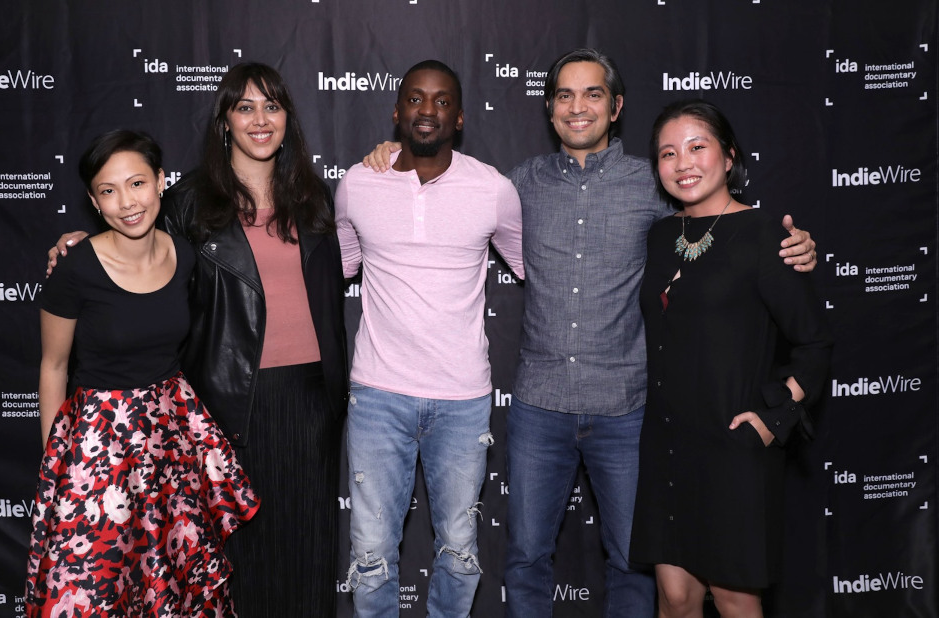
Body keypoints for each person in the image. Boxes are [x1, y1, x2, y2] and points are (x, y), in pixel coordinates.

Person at [363, 48, 818, 618]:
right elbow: (444, 182)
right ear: (550, 111)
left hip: (627, 408)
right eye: (564, 95)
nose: (577, 107)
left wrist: (793, 245)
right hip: (538, 406)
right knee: (526, 556)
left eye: (593, 94)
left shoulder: (654, 184)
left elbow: (722, 222)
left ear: (617, 106)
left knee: (632, 561)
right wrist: (391, 154)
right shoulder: (516, 185)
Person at [46, 63, 348, 618]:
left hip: (310, 403)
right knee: (232, 563)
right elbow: (140, 252)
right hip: (226, 405)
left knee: (309, 550)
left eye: (272, 106)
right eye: (245, 107)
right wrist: (83, 245)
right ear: (225, 121)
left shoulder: (316, 199)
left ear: (288, 118)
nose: (260, 120)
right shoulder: (188, 203)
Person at [27, 130, 259, 617]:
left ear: (160, 182)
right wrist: (57, 467)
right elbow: (53, 367)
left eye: (136, 184)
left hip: (169, 442)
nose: (126, 202)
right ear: (93, 200)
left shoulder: (185, 256)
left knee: (169, 579)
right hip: (98, 449)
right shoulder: (75, 268)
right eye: (108, 191)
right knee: (95, 585)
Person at [335, 59, 524, 617]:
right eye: (415, 98)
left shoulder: (493, 189)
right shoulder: (357, 184)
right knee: (370, 555)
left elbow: (540, 266)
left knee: (460, 552)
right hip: (377, 397)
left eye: (442, 101)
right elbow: (338, 267)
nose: (427, 110)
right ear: (397, 112)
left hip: (462, 401)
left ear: (459, 117)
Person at [630, 99, 832, 617]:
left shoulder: (768, 236)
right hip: (668, 445)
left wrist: (773, 418)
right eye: (668, 153)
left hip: (735, 448)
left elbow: (814, 343)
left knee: (736, 600)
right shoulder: (658, 236)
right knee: (675, 598)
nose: (684, 163)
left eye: (698, 147)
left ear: (730, 156)